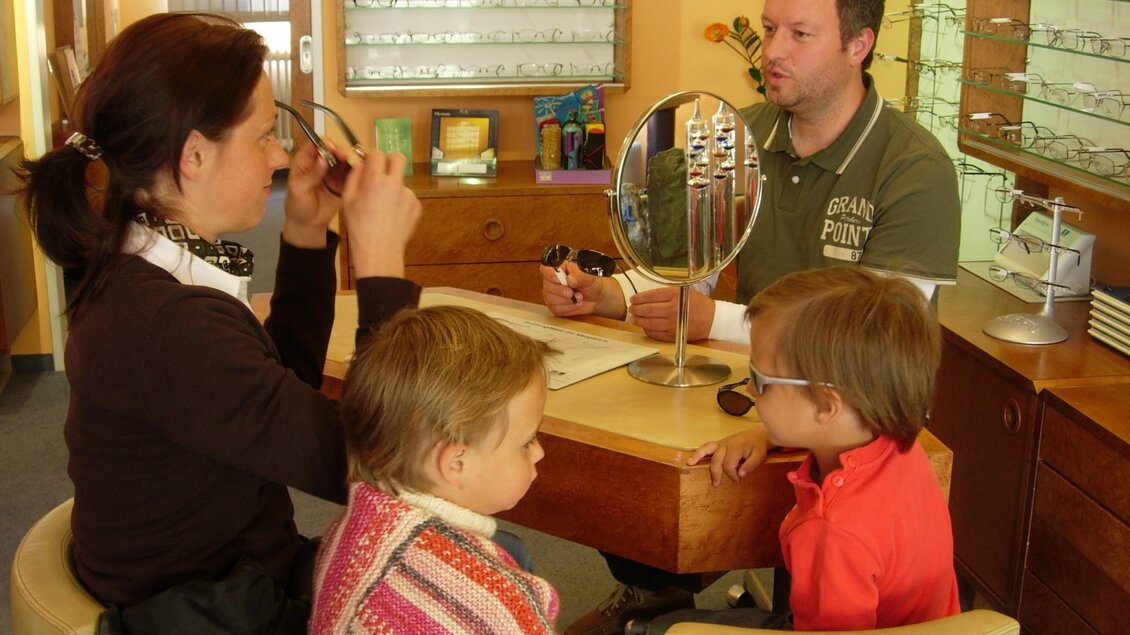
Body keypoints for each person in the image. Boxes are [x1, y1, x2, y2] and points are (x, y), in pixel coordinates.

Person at [550, 1, 962, 633]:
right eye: (770, 29)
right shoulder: (737, 133)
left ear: (858, 45)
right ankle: (656, 590)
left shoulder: (915, 169)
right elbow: (692, 265)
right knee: (632, 465)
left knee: (824, 559)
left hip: (845, 419)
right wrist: (611, 295)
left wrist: (714, 321)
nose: (773, 50)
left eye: (800, 34)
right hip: (762, 393)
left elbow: (872, 353)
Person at [18, 13, 421, 631]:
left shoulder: (139, 271)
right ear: (195, 155)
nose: (280, 156)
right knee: (488, 569)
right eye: (262, 137)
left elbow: (272, 391)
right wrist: (381, 266)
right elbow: (385, 470)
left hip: (232, 581)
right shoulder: (166, 326)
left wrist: (307, 232)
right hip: (215, 610)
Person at [634, 266, 961, 633]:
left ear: (825, 404)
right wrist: (766, 435)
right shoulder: (896, 441)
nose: (749, 390)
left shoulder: (833, 532)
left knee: (663, 629)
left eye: (760, 380)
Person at [310, 305, 560, 634]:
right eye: (527, 442)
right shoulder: (493, 606)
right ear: (456, 464)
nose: (539, 452)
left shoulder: (350, 532)